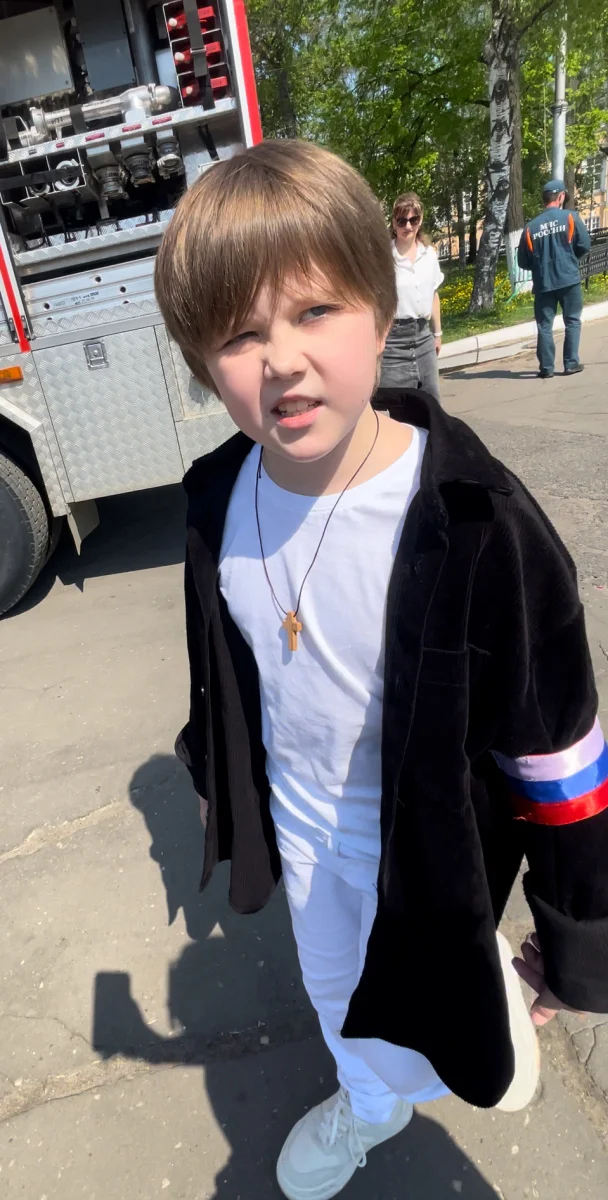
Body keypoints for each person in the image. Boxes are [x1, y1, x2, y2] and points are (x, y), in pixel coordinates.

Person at [155, 140, 608, 1200]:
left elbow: (557, 751)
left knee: (445, 1007)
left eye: (314, 310)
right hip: (303, 830)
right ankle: (368, 1103)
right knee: (335, 993)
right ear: (202, 364)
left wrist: (573, 936)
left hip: (430, 849)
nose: (281, 359)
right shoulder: (215, 501)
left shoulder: (475, 520)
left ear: (379, 306)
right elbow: (223, 666)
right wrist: (214, 772)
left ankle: (479, 1010)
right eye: (239, 334)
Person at [518, 179, 591, 378]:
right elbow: (584, 245)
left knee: (544, 326)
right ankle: (571, 364)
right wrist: (569, 260)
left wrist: (540, 267)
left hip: (544, 283)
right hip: (569, 280)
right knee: (572, 320)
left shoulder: (530, 228)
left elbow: (523, 261)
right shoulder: (571, 217)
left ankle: (546, 368)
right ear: (561, 197)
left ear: (544, 199)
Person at [379, 192, 444, 401]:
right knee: (396, 406)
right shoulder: (385, 259)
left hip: (424, 337)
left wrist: (437, 334)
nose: (408, 226)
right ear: (393, 223)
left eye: (413, 220)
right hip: (393, 343)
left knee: (431, 403)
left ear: (420, 220)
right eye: (402, 221)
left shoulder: (429, 255)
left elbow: (433, 295)